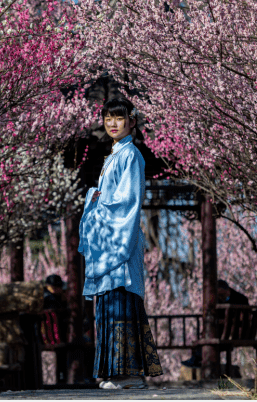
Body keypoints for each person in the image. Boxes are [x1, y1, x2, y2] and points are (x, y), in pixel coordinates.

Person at [78, 97, 163, 389]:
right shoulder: (114, 155)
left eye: (119, 118)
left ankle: (128, 372)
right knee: (109, 305)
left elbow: (129, 200)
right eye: (108, 118)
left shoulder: (131, 155)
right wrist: (95, 197)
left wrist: (98, 203)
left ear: (132, 122)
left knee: (121, 302)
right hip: (109, 239)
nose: (113, 124)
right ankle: (117, 372)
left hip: (120, 239)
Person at [181, 280, 249, 368]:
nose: (220, 297)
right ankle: (199, 359)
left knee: (210, 337)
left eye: (222, 294)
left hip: (236, 331)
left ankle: (198, 359)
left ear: (227, 290)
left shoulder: (240, 299)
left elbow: (244, 318)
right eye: (219, 295)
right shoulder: (219, 300)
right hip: (223, 331)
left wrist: (226, 321)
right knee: (208, 335)